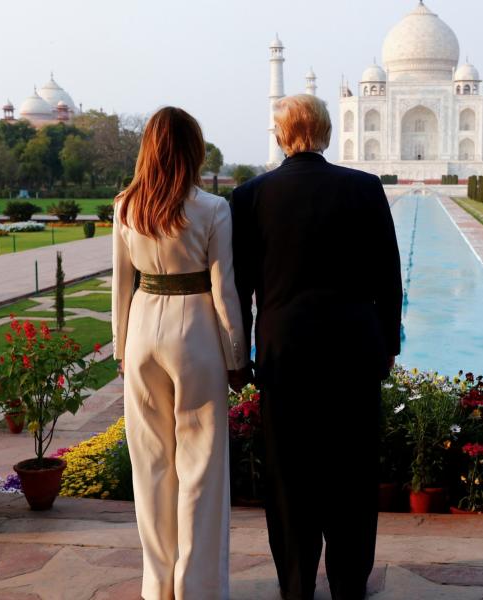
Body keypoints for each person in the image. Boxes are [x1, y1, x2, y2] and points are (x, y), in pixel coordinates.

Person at [231, 94, 402, 600]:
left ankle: (297, 585)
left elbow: (241, 288)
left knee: (290, 476)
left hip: (285, 355)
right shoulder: (364, 189)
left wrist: (240, 358)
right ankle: (349, 584)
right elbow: (388, 277)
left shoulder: (252, 196)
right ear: (327, 132)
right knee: (351, 473)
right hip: (353, 350)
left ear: (282, 135)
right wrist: (388, 342)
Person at [112, 106, 250, 600]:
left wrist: (121, 348)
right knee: (201, 465)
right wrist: (237, 357)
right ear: (193, 150)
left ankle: (157, 583)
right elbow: (224, 291)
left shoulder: (126, 205)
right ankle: (198, 586)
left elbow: (121, 285)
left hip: (143, 331)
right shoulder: (212, 208)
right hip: (194, 333)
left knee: (150, 464)